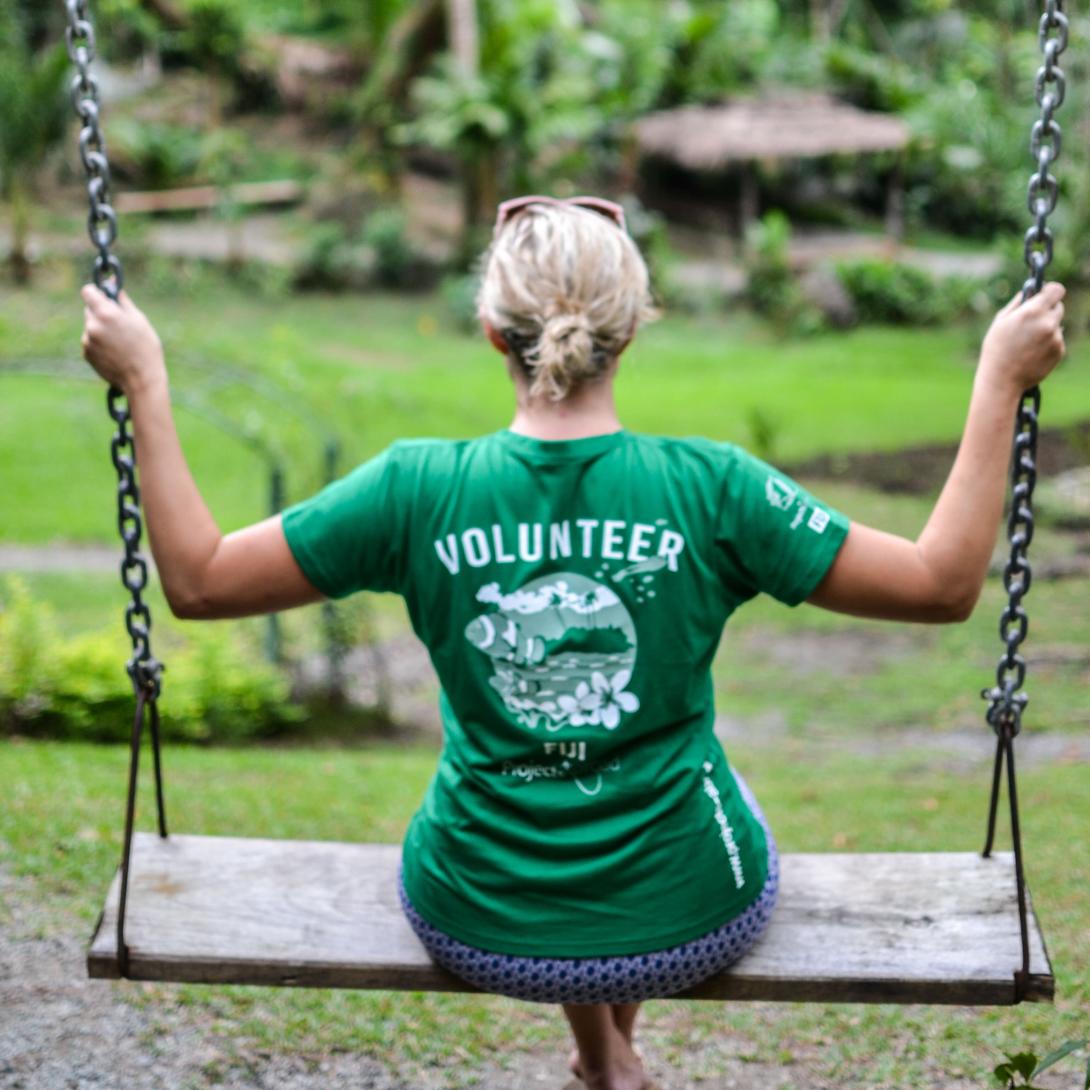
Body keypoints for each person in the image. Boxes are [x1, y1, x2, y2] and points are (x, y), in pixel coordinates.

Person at [80, 196, 1066, 1090]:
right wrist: (997, 376)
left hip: (477, 916)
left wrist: (146, 377)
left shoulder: (413, 487)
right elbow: (941, 585)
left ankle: (602, 1057)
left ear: (487, 329)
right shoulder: (711, 487)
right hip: (689, 921)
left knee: (547, 786)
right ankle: (607, 1056)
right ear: (631, 328)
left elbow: (200, 581)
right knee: (705, 781)